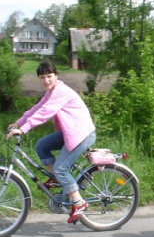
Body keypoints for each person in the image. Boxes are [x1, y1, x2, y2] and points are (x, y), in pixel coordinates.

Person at [6, 60, 97, 224]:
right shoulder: (51, 92)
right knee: (42, 146)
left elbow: (45, 113)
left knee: (61, 168)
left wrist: (24, 129)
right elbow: (36, 108)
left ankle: (79, 202)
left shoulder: (61, 92)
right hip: (70, 132)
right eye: (42, 77)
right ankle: (57, 179)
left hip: (81, 134)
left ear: (56, 76)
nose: (46, 80)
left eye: (49, 76)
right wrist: (18, 123)